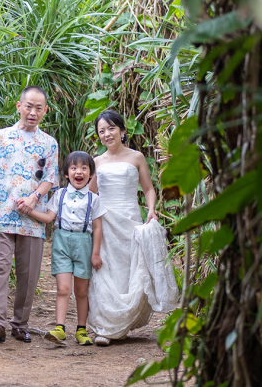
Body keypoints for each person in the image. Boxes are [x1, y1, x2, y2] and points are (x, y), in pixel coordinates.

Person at [0, 86, 59, 343]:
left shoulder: (49, 143)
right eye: (28, 106)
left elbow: (50, 179)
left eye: (38, 108)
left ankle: (20, 323)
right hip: (1, 215)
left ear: (45, 111)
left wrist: (34, 198)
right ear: (18, 106)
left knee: (29, 273)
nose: (33, 112)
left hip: (32, 218)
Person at [87, 110, 179, 346]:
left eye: (111, 128)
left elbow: (148, 188)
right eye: (102, 131)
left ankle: (122, 322)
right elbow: (90, 194)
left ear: (122, 130)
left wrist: (151, 210)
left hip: (130, 218)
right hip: (105, 221)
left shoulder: (136, 157)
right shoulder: (96, 162)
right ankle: (105, 328)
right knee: (106, 269)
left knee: (130, 268)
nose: (107, 134)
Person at [20, 151, 105, 346]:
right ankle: (60, 328)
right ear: (66, 173)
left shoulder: (94, 199)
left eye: (84, 168)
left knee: (81, 291)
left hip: (84, 243)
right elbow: (49, 218)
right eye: (74, 167)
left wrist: (96, 254)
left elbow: (98, 228)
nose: (79, 172)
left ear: (91, 173)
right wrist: (29, 210)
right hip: (61, 242)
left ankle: (81, 330)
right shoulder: (60, 194)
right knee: (63, 288)